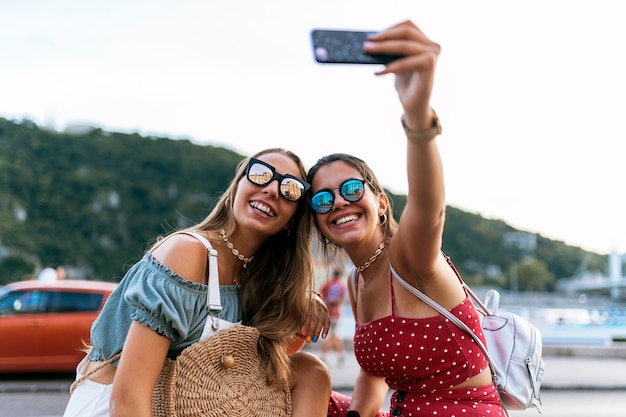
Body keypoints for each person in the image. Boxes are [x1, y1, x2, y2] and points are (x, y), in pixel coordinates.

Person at [307, 21, 506, 417]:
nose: (339, 204)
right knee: (295, 383)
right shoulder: (356, 280)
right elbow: (373, 374)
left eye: (351, 190)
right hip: (402, 411)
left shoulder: (409, 257)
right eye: (323, 199)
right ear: (316, 220)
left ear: (380, 202)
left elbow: (429, 208)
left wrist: (417, 118)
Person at [63, 148, 332, 417]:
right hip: (115, 407)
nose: (273, 189)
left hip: (184, 407)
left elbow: (253, 369)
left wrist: (297, 303)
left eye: (291, 189)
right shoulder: (187, 254)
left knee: (311, 371)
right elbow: (127, 399)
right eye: (261, 174)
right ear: (236, 189)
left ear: (291, 221)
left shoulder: (257, 278)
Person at [319, 269, 347, 365]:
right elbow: (342, 299)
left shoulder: (327, 284)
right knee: (333, 335)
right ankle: (323, 356)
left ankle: (341, 355)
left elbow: (320, 296)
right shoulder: (341, 285)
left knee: (335, 334)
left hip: (327, 313)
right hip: (336, 313)